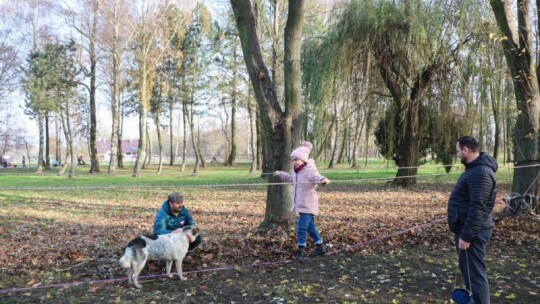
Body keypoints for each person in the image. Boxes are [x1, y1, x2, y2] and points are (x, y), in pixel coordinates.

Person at [448, 136, 497, 304]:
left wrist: (466, 236)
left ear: (465, 150)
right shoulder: (474, 169)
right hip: (467, 230)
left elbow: (478, 208)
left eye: (457, 150)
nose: (457, 154)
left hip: (474, 233)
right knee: (469, 273)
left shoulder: (481, 173)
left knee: (475, 275)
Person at [274, 141, 331, 260]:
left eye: (296, 160)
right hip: (300, 204)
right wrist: (281, 174)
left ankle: (301, 251)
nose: (294, 162)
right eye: (293, 160)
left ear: (303, 160)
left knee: (301, 228)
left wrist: (323, 180)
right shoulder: (297, 172)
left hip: (308, 205)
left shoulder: (309, 171)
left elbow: (316, 177)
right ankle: (320, 247)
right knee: (310, 227)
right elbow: (291, 179)